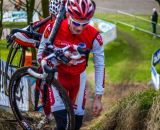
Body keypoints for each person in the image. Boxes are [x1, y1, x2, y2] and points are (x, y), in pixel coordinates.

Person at [37, 0, 105, 129]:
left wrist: (98, 97)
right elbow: (40, 56)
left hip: (78, 80)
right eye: (76, 23)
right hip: (57, 77)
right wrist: (58, 59)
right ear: (68, 15)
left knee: (76, 124)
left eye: (85, 24)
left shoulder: (94, 36)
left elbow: (100, 65)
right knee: (62, 124)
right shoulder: (53, 29)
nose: (80, 28)